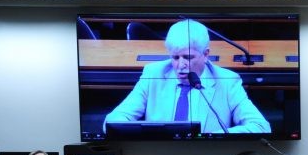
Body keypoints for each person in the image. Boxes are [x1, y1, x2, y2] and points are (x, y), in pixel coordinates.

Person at [103, 19, 270, 134]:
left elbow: (261, 126)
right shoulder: (153, 75)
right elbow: (111, 122)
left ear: (205, 55)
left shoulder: (227, 81)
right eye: (175, 58)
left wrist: (214, 136)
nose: (180, 65)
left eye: (188, 57)